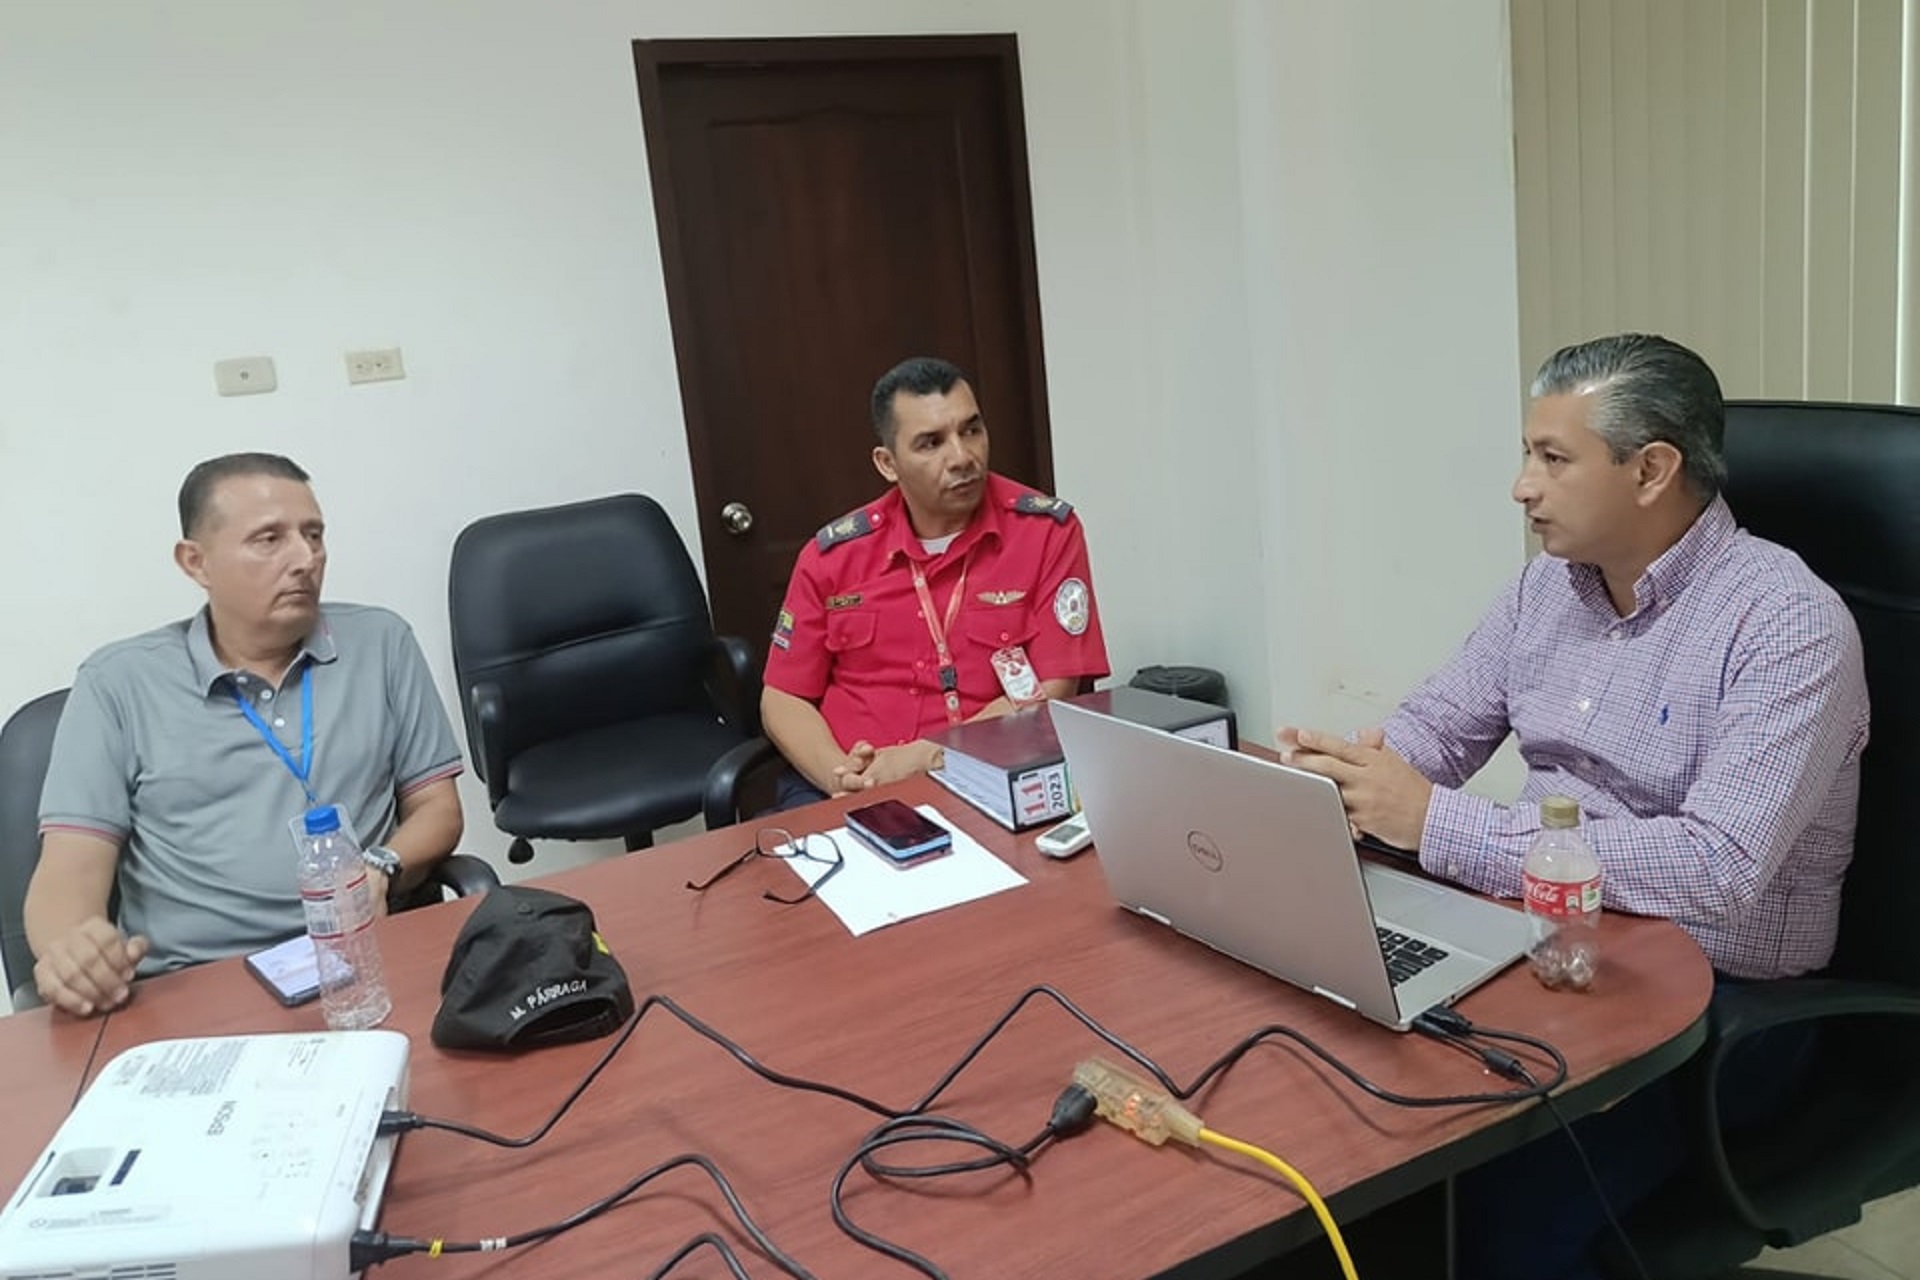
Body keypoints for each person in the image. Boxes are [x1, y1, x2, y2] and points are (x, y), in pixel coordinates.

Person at [1277, 333, 1869, 1280]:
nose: (1522, 486)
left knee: (1490, 1199)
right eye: (1528, 453)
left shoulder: (1788, 625)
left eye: (1553, 459)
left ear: (1652, 471)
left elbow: (1717, 867)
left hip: (1720, 1004)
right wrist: (1348, 778)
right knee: (1340, 1111)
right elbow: (1440, 725)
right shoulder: (1545, 590)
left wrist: (1433, 822)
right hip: (1543, 944)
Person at [25, 453, 465, 1017]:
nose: (305, 559)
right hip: (198, 988)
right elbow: (68, 874)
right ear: (196, 562)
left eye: (314, 535)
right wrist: (72, 952)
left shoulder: (381, 642)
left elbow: (438, 809)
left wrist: (381, 865)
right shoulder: (118, 683)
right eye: (269, 539)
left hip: (365, 960)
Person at [761, 356, 1111, 805]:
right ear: (888, 463)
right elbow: (782, 698)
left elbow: (1053, 688)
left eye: (972, 430)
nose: (962, 457)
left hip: (989, 774)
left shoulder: (1046, 534)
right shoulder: (833, 556)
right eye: (931, 443)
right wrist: (843, 778)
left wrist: (926, 756)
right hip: (843, 784)